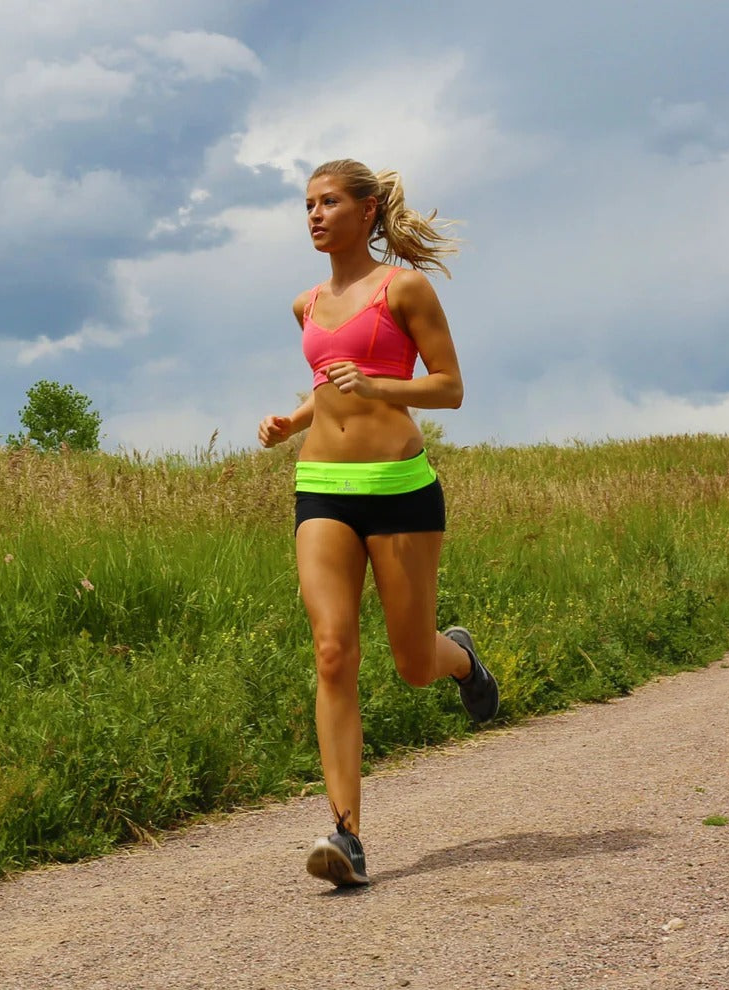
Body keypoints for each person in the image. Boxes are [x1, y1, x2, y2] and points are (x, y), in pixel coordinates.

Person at [257, 159, 498, 888]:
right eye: (307, 205)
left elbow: (450, 387)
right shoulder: (305, 304)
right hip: (321, 487)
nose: (314, 215)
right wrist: (291, 419)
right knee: (333, 651)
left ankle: (458, 656)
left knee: (412, 666)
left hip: (399, 490)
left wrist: (381, 384)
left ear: (367, 211)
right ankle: (346, 835)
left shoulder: (405, 288)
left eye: (329, 202)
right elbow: (330, 385)